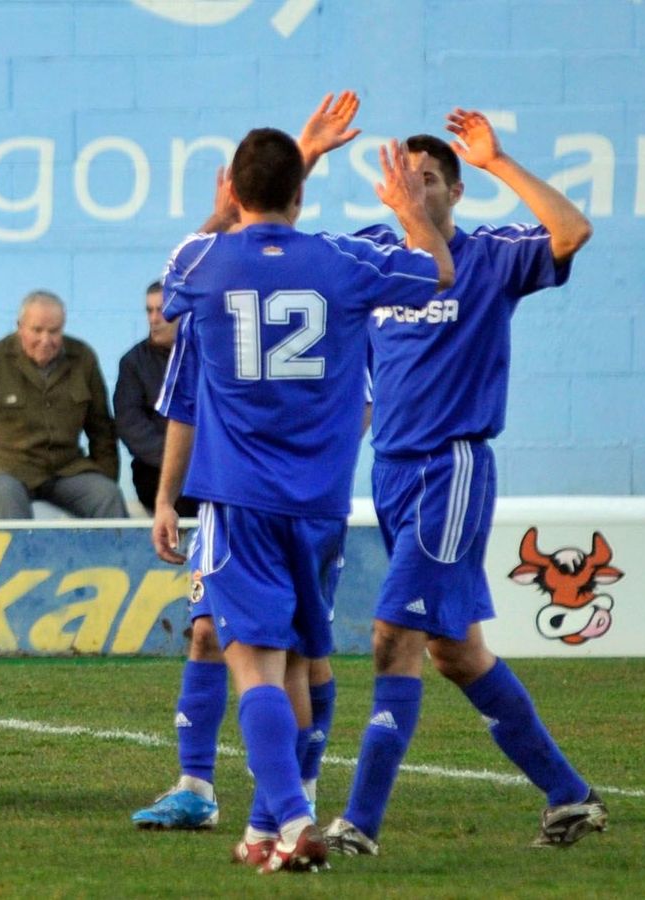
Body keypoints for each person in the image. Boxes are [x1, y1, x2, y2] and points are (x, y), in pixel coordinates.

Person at [151, 127, 453, 874]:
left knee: (252, 663)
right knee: (296, 667)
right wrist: (412, 210)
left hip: (238, 499)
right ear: (302, 194)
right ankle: (262, 828)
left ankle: (290, 819)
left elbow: (183, 273)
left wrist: (232, 208)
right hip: (319, 504)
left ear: (231, 189)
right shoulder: (344, 260)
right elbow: (437, 271)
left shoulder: (203, 260)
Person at [321, 110, 604, 855]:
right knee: (458, 653)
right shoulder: (377, 261)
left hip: (453, 466)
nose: (413, 191)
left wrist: (500, 161)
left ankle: (359, 825)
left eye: (429, 180)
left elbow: (571, 233)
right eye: (403, 180)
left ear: (454, 192)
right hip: (390, 472)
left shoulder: (490, 256)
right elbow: (288, 263)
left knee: (392, 639)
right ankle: (569, 796)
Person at [131, 93, 365, 834]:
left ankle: (291, 804)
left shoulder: (215, 274)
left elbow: (191, 262)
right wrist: (168, 497)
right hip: (252, 496)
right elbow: (185, 407)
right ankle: (200, 785)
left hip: (256, 497)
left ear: (230, 192)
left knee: (288, 656)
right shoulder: (234, 297)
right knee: (214, 633)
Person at [0, 290, 126, 520]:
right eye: (37, 330)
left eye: (54, 331)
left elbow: (102, 429)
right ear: (20, 326)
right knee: (8, 497)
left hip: (66, 469)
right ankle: (14, 558)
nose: (46, 340)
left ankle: (112, 558)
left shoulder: (83, 359)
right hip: (4, 469)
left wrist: (106, 477)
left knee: (106, 495)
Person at [114, 280, 196, 517]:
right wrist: (178, 460)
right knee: (185, 495)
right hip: (154, 470)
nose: (153, 318)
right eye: (149, 310)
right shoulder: (133, 363)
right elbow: (131, 426)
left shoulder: (207, 358)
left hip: (208, 467)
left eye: (161, 310)